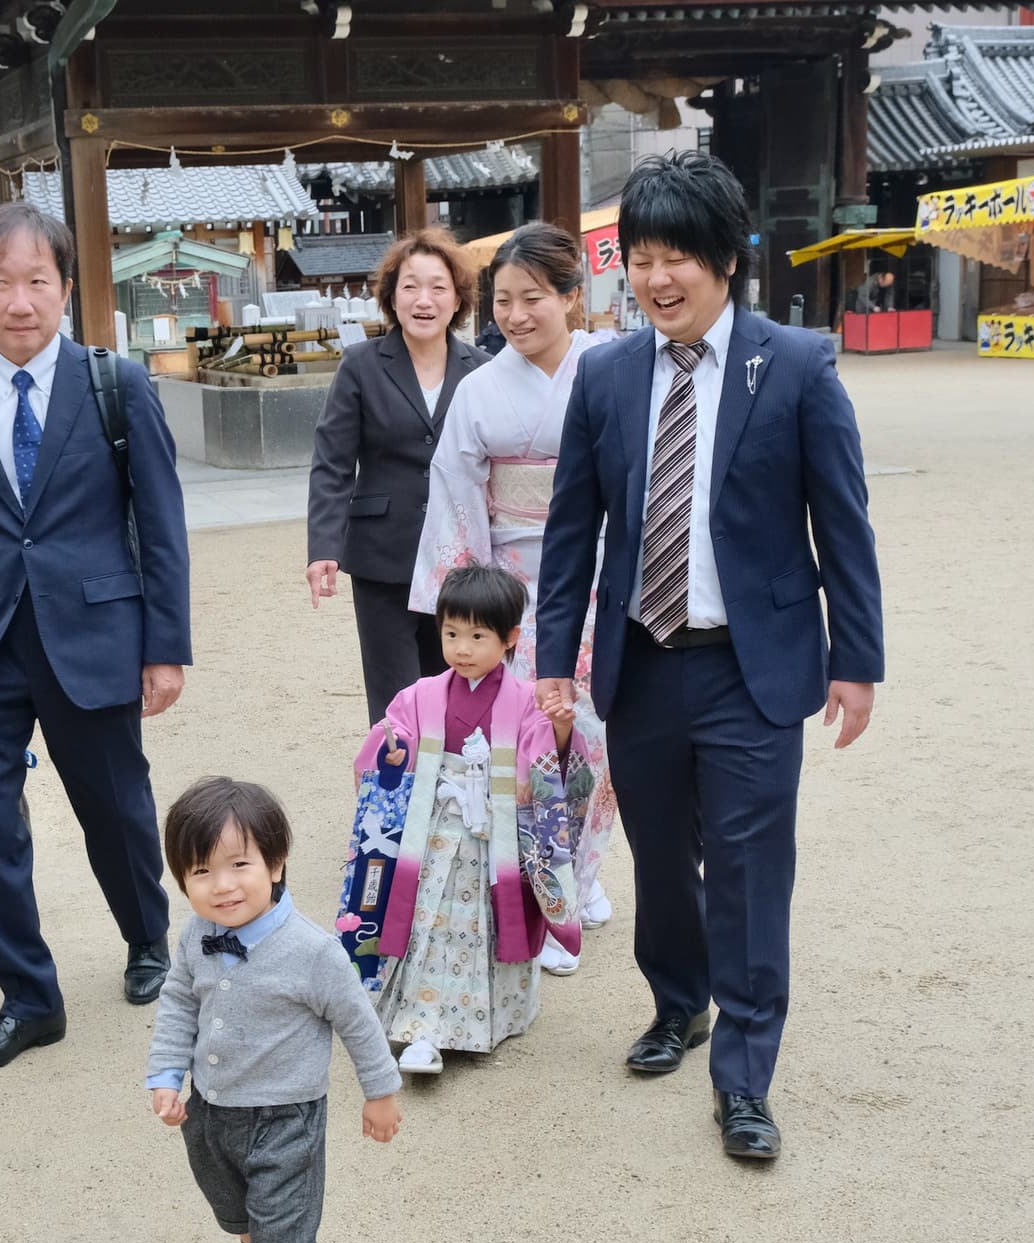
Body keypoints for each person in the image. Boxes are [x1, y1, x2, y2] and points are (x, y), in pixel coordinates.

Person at [534, 151, 884, 1161]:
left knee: (747, 869)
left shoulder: (800, 365)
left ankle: (744, 1075)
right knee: (660, 859)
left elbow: (843, 529)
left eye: (679, 256)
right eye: (642, 257)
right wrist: (555, 658)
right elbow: (571, 533)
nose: (658, 279)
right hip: (642, 662)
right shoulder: (604, 373)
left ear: (728, 260)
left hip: (751, 665)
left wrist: (856, 661)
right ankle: (678, 1003)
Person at [0, 202, 191, 1075]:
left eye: (37, 280)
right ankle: (29, 998)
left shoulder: (117, 386)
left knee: (113, 808)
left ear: (66, 289)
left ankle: (147, 938)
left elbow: (160, 521)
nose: (20, 300)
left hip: (95, 633)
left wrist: (164, 645)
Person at [147, 777, 402, 1243]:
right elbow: (179, 1002)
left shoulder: (312, 951)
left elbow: (357, 1021)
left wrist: (380, 1092)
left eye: (241, 865)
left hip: (285, 1118)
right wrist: (166, 1075)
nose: (223, 885)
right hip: (209, 1113)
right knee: (239, 1215)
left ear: (276, 863)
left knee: (283, 1233)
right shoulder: (194, 936)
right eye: (201, 871)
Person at [408, 222, 618, 976]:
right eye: (502, 301)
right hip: (515, 593)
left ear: (573, 296)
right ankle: (545, 889)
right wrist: (476, 605)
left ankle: (579, 878)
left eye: (534, 298)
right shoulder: (479, 389)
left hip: (603, 580)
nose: (517, 315)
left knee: (592, 739)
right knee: (525, 745)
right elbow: (458, 493)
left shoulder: (614, 367)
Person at [354, 565, 592, 1076]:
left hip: (497, 835)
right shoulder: (420, 695)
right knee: (430, 922)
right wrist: (392, 748)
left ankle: (494, 1014)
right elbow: (391, 741)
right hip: (435, 830)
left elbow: (551, 770)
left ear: (509, 638)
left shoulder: (527, 700)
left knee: (484, 919)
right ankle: (424, 1026)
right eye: (451, 633)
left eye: (478, 635)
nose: (462, 648)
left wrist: (560, 735)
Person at [305, 228, 488, 722]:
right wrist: (324, 547)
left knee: (459, 688)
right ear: (390, 297)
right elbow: (333, 463)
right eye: (410, 286)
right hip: (382, 558)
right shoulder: (361, 365)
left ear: (458, 300)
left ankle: (454, 798)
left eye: (437, 287)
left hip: (461, 561)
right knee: (396, 701)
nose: (423, 300)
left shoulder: (485, 370)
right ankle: (395, 796)